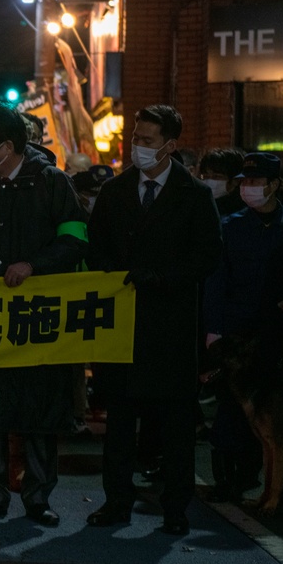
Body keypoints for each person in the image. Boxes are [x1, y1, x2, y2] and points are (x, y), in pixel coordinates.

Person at [0, 102, 87, 528]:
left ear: (8, 146)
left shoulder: (50, 183)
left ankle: (39, 498)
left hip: (36, 319)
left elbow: (76, 237)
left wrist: (35, 266)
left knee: (40, 413)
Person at [86, 104, 222, 536]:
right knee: (120, 422)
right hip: (123, 321)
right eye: (135, 139)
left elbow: (207, 255)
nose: (137, 147)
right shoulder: (116, 191)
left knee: (176, 425)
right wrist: (118, 274)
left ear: (170, 145)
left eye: (147, 140)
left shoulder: (194, 194)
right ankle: (116, 502)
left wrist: (163, 278)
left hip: (172, 324)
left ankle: (175, 507)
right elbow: (97, 245)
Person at [204, 152, 283, 509]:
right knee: (234, 411)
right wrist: (214, 329)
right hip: (239, 335)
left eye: (256, 182)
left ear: (275, 185)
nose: (248, 188)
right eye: (244, 182)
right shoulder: (231, 226)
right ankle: (233, 479)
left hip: (281, 335)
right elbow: (216, 281)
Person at [198, 148, 246, 217]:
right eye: (205, 176)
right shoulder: (200, 206)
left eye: (216, 177)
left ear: (235, 180)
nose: (209, 181)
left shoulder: (240, 214)